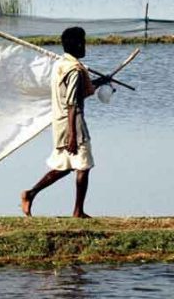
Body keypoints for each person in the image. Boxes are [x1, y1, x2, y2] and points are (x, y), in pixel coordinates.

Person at [21, 27, 107, 218]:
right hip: (72, 123)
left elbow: (79, 92)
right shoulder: (74, 70)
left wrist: (99, 82)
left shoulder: (61, 65)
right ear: (76, 45)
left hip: (60, 122)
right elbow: (72, 103)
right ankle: (78, 211)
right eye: (83, 42)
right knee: (84, 165)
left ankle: (30, 193)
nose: (85, 46)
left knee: (65, 166)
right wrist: (73, 136)